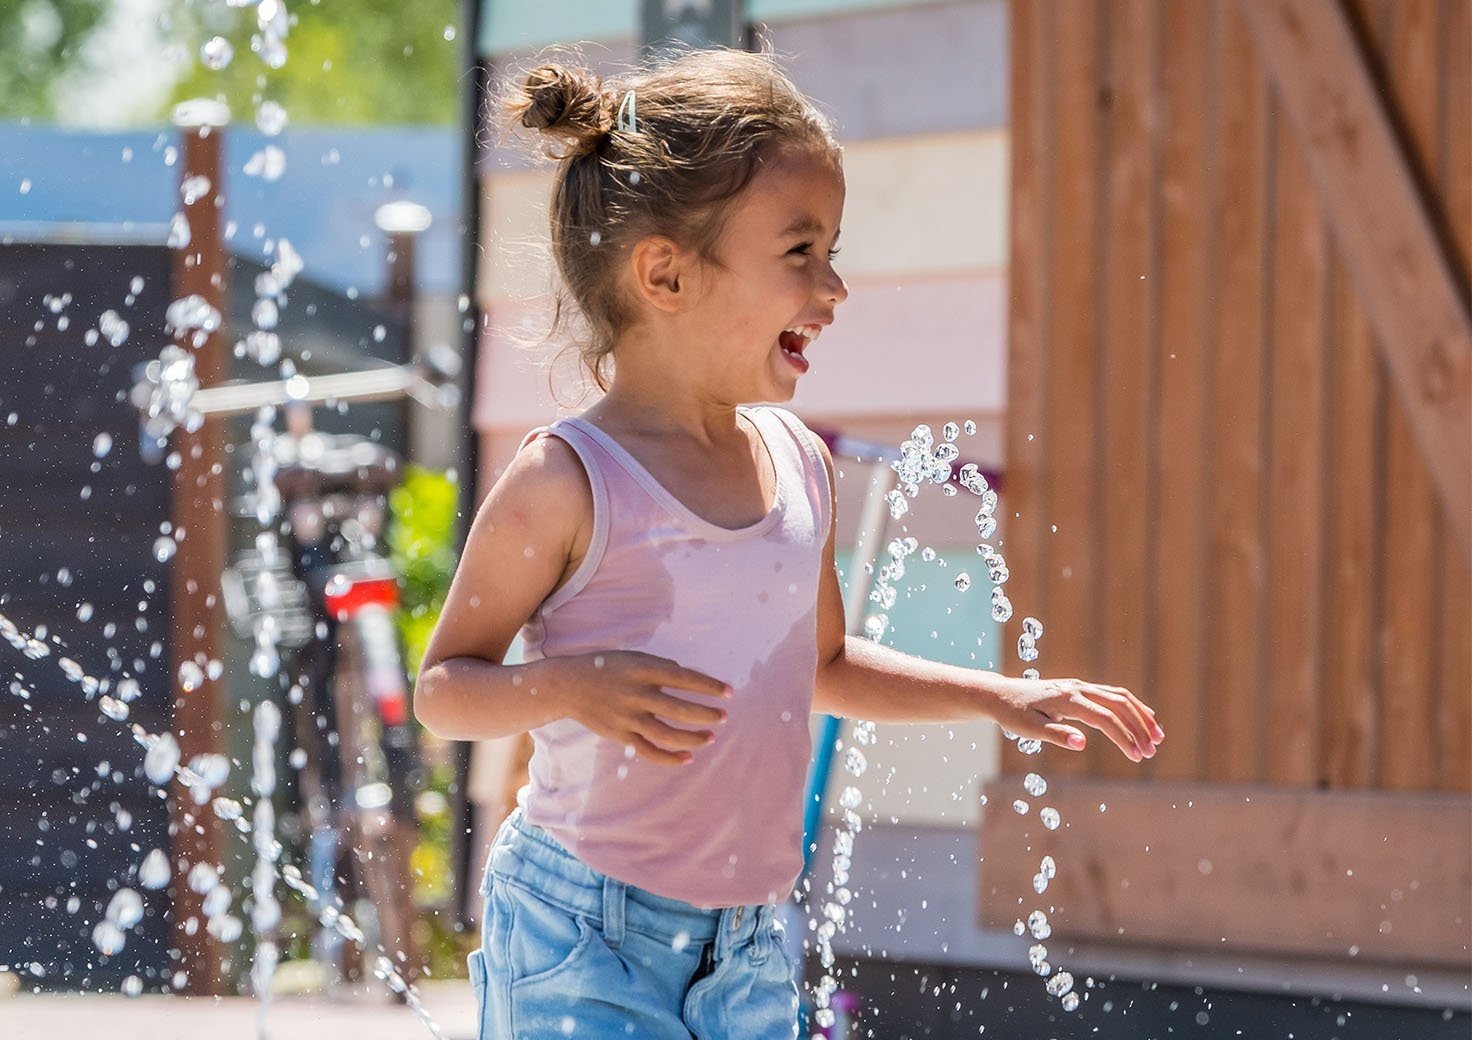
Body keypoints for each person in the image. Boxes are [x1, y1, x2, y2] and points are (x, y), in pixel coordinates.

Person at [415, 47, 1165, 1040]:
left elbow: (824, 665)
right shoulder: (569, 480)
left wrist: (1002, 696)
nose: (835, 286)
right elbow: (446, 689)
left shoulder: (797, 462)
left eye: (832, 250)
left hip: (749, 939)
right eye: (800, 251)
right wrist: (571, 684)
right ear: (666, 273)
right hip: (581, 927)